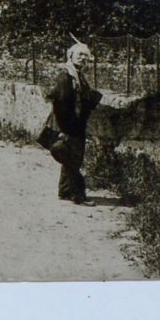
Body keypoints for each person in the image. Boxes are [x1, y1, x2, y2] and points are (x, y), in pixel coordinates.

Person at [40, 42, 101, 203]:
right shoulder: (66, 75)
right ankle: (78, 195)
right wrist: (65, 129)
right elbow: (61, 103)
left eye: (86, 56)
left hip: (75, 123)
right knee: (73, 159)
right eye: (80, 54)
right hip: (68, 124)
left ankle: (65, 191)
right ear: (71, 55)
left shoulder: (77, 75)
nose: (83, 58)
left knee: (71, 158)